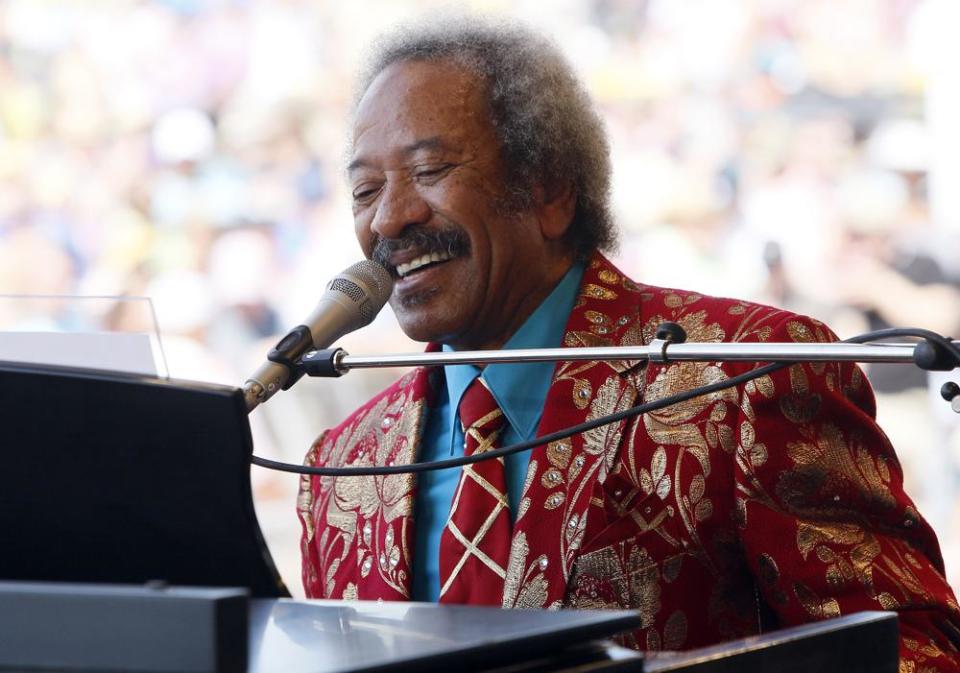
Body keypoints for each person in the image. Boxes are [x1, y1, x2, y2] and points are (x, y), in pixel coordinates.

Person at [297, 17, 960, 669]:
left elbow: (912, 651)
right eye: (365, 189)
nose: (389, 217)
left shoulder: (750, 373)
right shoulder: (341, 465)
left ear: (550, 189)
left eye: (431, 168)